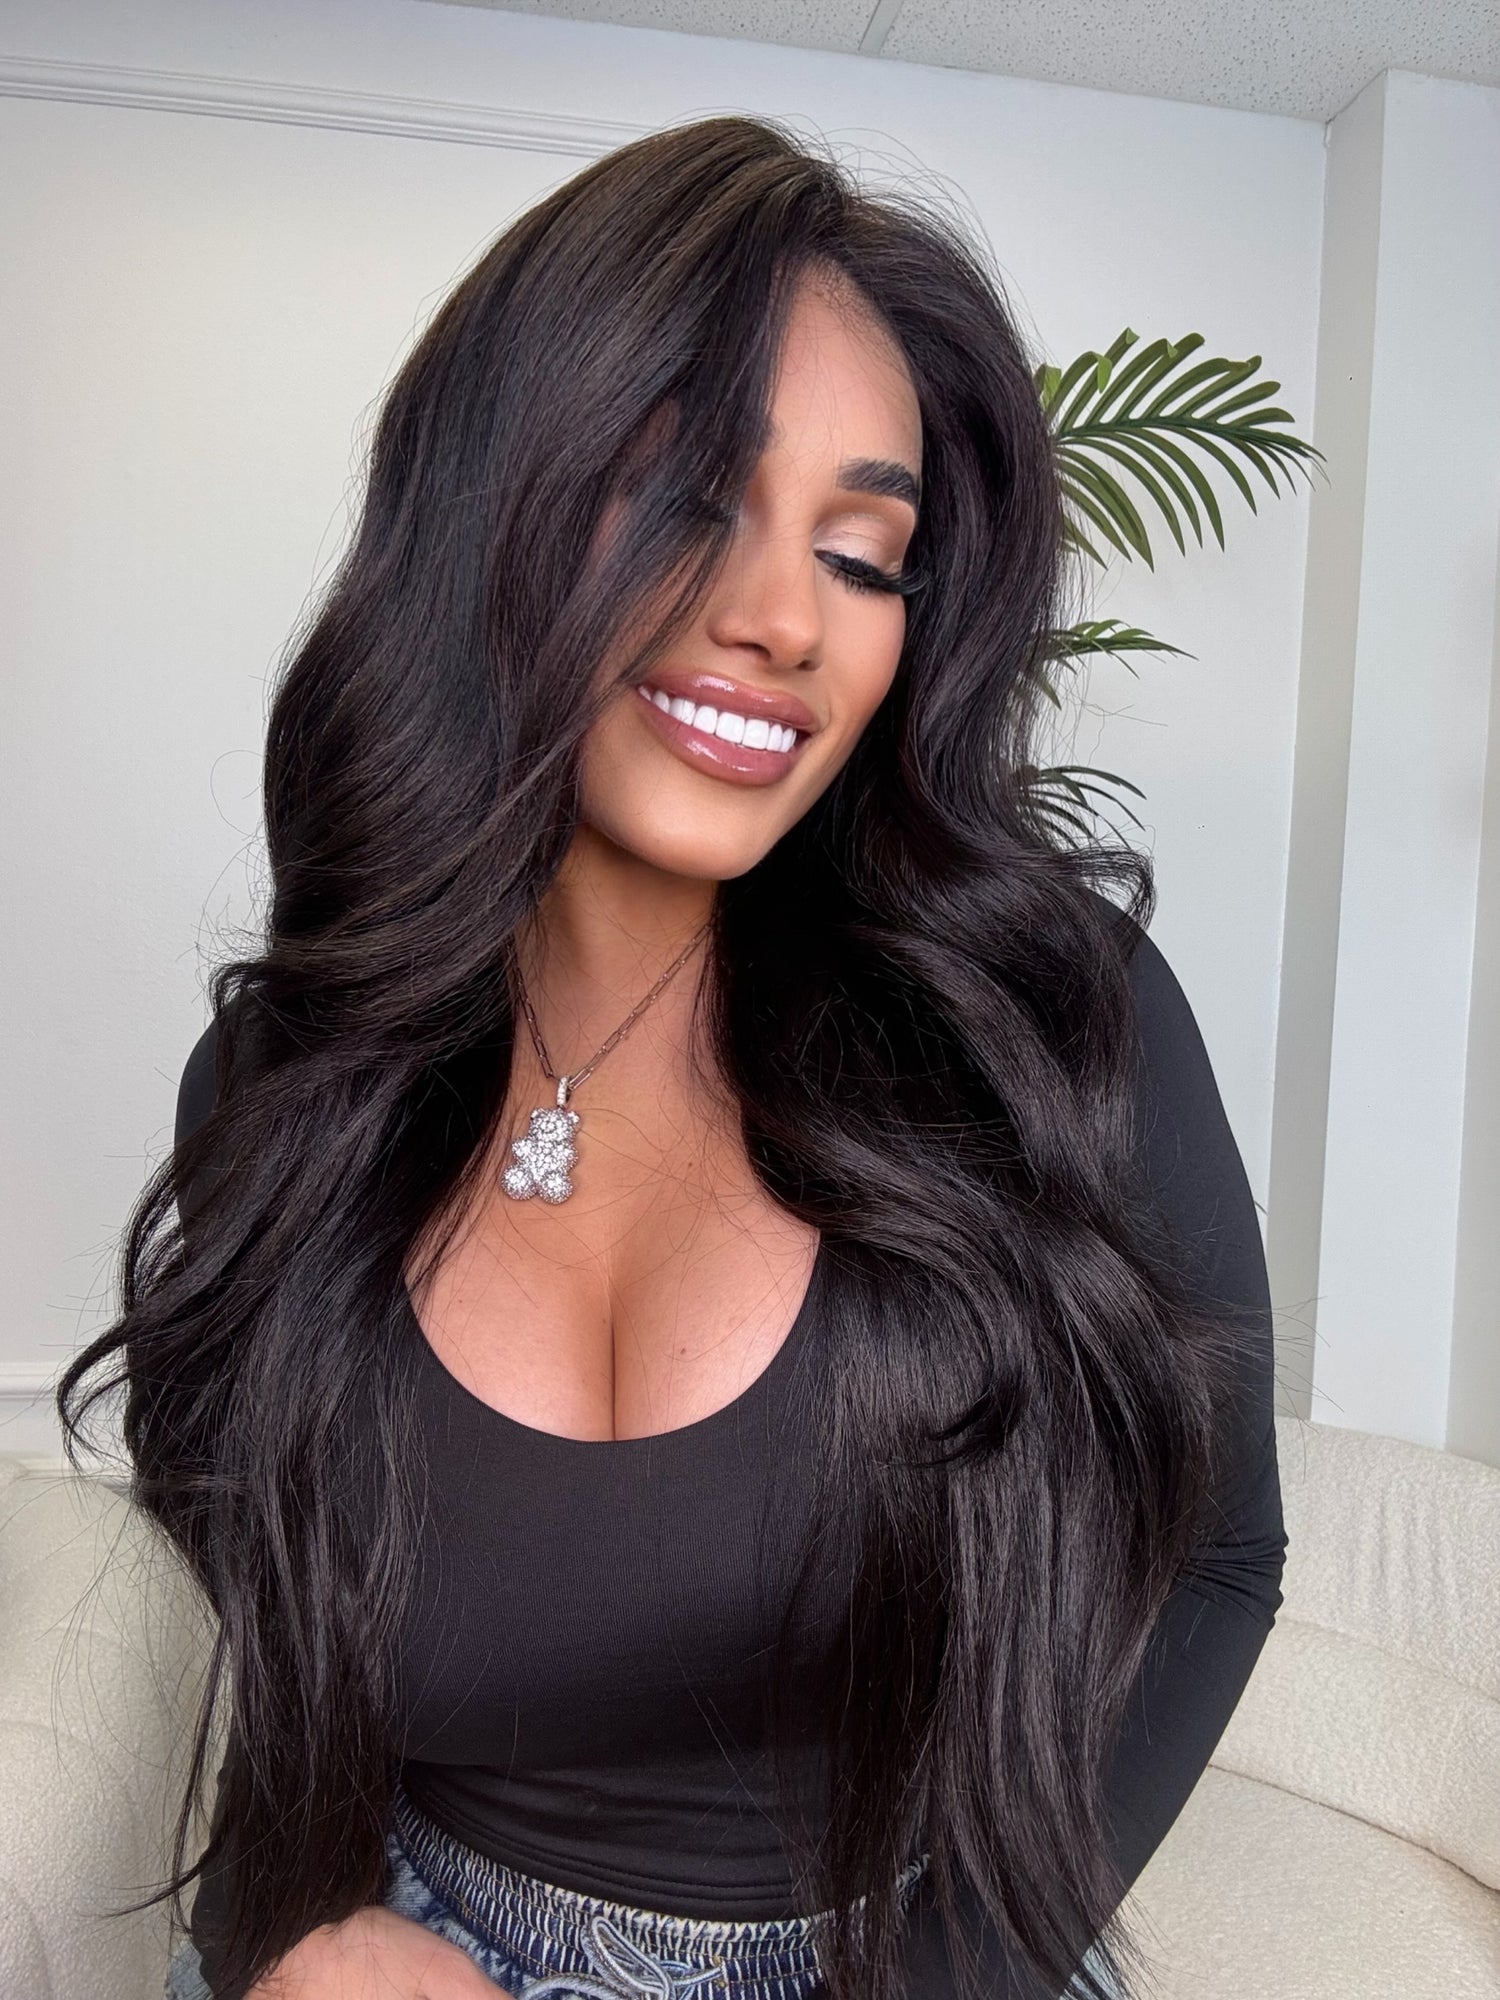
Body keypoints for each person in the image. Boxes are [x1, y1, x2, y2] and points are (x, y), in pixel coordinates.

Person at [59, 112, 1287, 2000]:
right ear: (493, 502)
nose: (782, 618)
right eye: (686, 494)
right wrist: (292, 1932)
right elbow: (284, 1623)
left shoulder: (1055, 1024)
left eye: (862, 554)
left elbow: (1215, 1564)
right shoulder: (290, 1084)